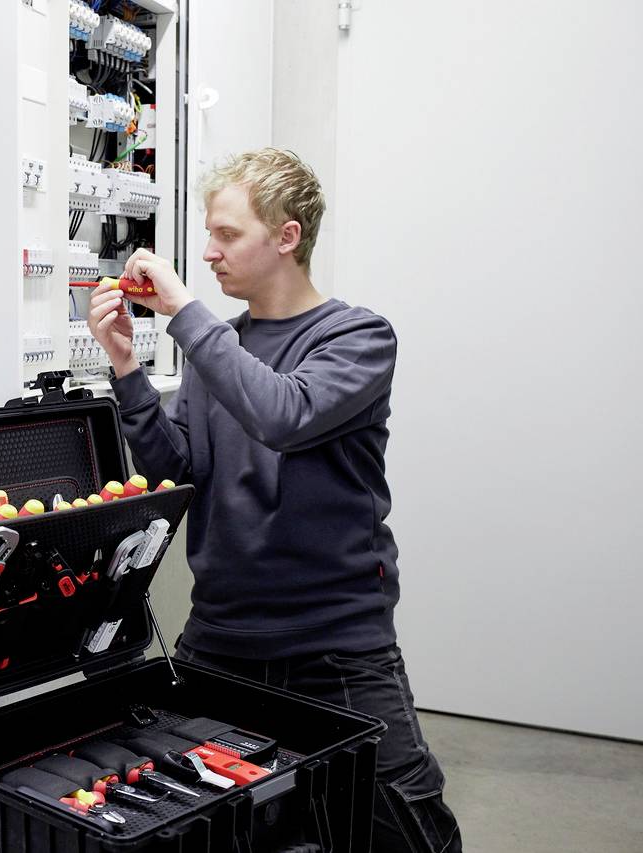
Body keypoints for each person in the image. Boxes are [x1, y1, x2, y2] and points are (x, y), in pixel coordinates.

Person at [88, 148, 462, 853]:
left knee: (405, 833)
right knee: (215, 832)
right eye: (209, 233)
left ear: (287, 237)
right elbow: (177, 470)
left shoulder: (356, 337)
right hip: (222, 640)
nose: (208, 250)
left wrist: (183, 312)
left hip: (336, 649)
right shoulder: (217, 347)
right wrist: (128, 370)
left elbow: (284, 415)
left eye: (226, 234)